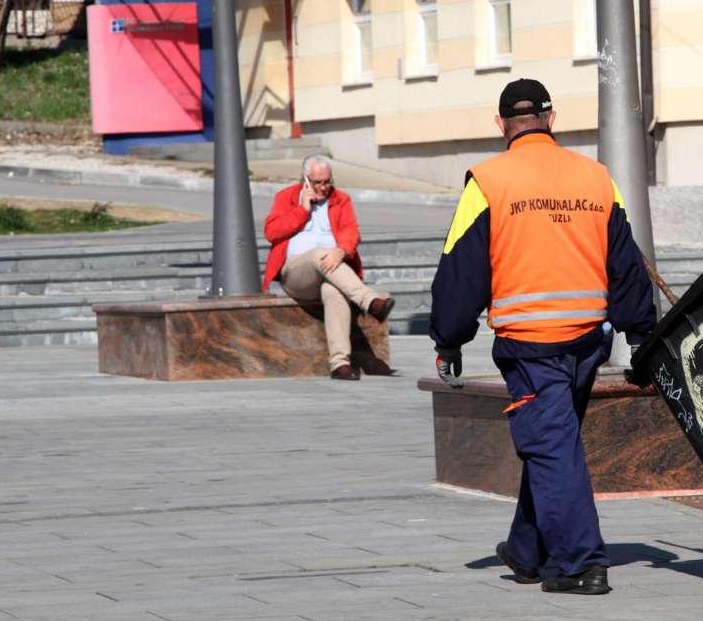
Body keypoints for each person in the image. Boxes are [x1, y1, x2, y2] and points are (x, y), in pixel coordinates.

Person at [429, 78, 656, 595]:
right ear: (551, 119)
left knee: (551, 447)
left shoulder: (488, 182)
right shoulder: (596, 177)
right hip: (586, 341)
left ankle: (579, 563)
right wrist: (641, 332)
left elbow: (461, 273)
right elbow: (625, 261)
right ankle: (528, 551)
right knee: (553, 442)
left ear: (501, 124)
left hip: (531, 343)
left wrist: (449, 340)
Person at [262, 154, 396, 380]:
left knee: (333, 291)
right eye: (318, 182)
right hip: (296, 275)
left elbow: (351, 232)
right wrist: (302, 210)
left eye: (327, 181)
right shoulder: (286, 197)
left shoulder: (340, 199)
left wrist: (341, 251)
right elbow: (271, 232)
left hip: (330, 273)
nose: (324, 187)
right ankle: (370, 302)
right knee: (318, 254)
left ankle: (340, 364)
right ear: (305, 180)